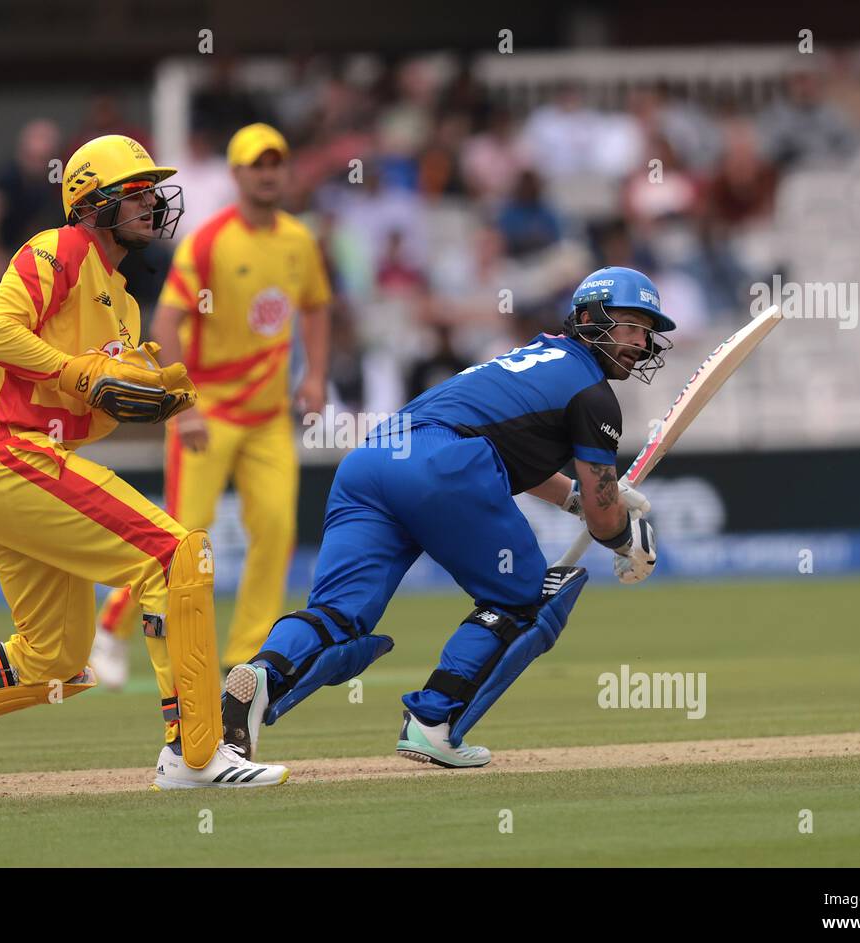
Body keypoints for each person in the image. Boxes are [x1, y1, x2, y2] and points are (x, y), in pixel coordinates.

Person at [0, 134, 289, 797]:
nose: (154, 204)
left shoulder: (126, 305)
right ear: (92, 202)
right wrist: (80, 370)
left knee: (56, 660)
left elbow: (89, 415)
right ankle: (195, 750)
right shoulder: (58, 250)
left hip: (0, 468)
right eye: (137, 194)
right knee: (174, 555)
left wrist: (138, 394)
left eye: (153, 193)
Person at [220, 267, 672, 768]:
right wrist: (631, 538)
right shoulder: (593, 393)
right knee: (525, 599)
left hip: (372, 462)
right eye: (628, 325)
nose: (640, 341)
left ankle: (260, 678)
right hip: (441, 464)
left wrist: (574, 499)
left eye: (646, 330)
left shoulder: (532, 355)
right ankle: (434, 722)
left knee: (338, 614)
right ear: (587, 318)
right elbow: (604, 518)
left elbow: (507, 447)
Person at [92, 122, 331, 688]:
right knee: (179, 533)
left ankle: (248, 657)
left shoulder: (299, 240)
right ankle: (110, 629)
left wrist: (315, 375)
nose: (269, 173)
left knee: (275, 529)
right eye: (258, 164)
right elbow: (167, 322)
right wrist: (183, 406)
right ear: (238, 174)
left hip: (268, 417)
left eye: (277, 163)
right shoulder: (210, 241)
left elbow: (317, 306)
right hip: (210, 412)